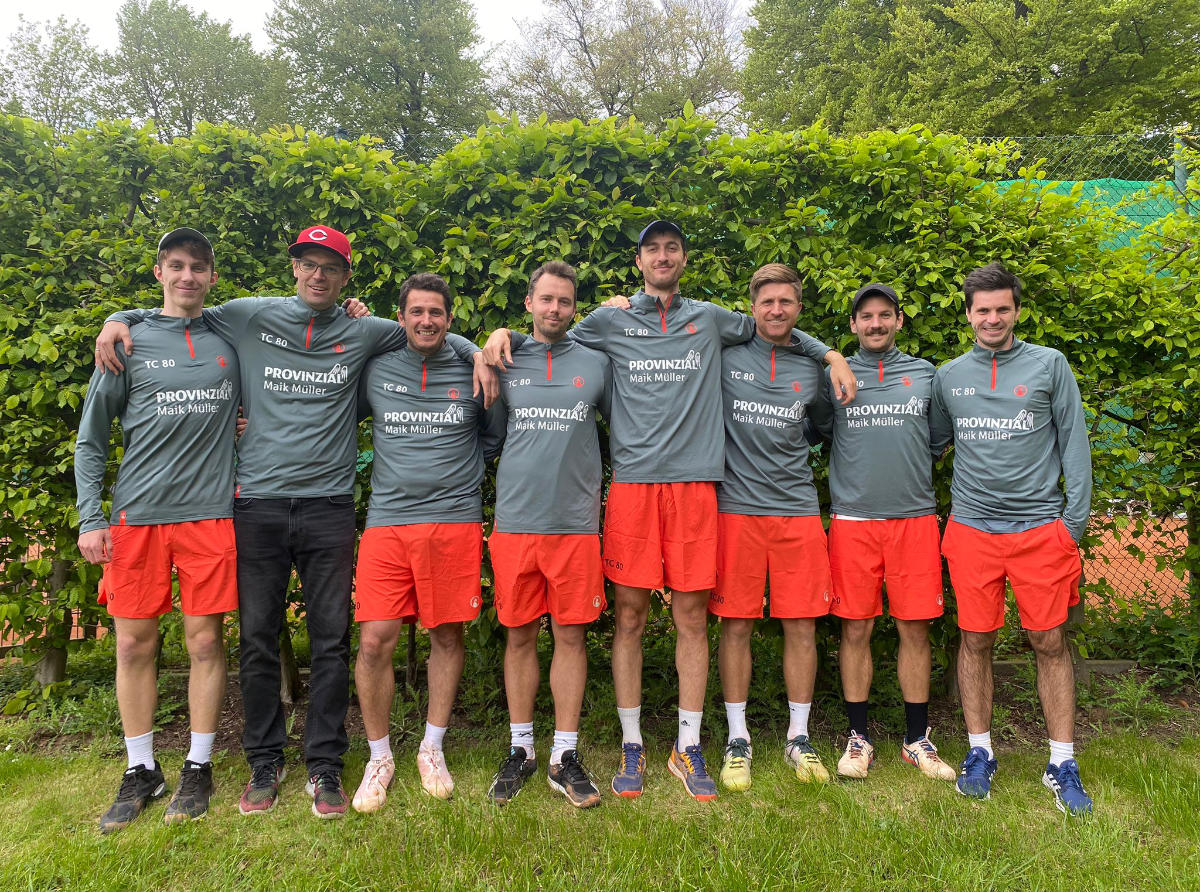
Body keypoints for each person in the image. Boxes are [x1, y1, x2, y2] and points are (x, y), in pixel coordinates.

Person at [93, 227, 494, 819]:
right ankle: (264, 761)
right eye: (309, 263)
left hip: (328, 505)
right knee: (257, 638)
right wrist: (117, 319)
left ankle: (325, 765)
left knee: (331, 641)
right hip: (256, 503)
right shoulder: (249, 316)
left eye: (330, 267)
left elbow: (425, 330)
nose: (318, 275)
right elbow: (181, 310)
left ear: (346, 277)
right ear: (295, 268)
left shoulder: (366, 330)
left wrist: (479, 351)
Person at [484, 220, 857, 801]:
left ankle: (688, 745)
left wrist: (830, 353)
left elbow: (773, 324)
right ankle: (632, 744)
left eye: (672, 248)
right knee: (629, 617)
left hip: (695, 490)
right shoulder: (607, 321)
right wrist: (495, 337)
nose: (663, 256)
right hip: (633, 488)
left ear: (684, 258)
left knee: (691, 617)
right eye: (652, 248)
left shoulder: (711, 318)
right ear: (639, 261)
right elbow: (549, 337)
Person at [75, 228, 239, 831]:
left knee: (205, 644)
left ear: (212, 276)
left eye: (198, 266)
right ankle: (141, 769)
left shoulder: (231, 338)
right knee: (131, 645)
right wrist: (91, 516)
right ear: (159, 272)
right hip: (137, 517)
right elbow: (92, 439)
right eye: (176, 265)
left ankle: (198, 766)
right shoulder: (126, 340)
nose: (187, 276)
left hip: (210, 516)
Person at [931, 262, 1093, 815]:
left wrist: (1071, 527)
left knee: (1049, 642)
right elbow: (930, 443)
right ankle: (980, 752)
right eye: (983, 310)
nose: (992, 318)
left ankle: (1062, 762)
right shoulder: (949, 376)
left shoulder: (1050, 365)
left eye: (1002, 308)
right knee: (975, 640)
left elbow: (1074, 444)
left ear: (1017, 311)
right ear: (968, 314)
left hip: (1040, 532)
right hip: (972, 531)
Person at [351, 273, 505, 809]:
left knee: (446, 634)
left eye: (436, 312)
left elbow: (493, 435)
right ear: (400, 318)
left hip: (453, 521)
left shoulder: (474, 369)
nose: (426, 321)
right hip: (387, 522)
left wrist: (460, 475)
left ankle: (432, 748)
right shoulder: (375, 367)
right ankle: (379, 757)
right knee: (375, 641)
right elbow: (332, 410)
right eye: (416, 311)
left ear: (449, 318)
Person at [817, 282, 956, 782]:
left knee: (914, 629)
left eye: (884, 315)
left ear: (899, 320)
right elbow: (821, 430)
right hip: (852, 523)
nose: (875, 324)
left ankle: (917, 740)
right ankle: (859, 738)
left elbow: (937, 439)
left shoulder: (926, 375)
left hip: (913, 521)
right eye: (866, 316)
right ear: (853, 324)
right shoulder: (835, 376)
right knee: (855, 629)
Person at [484, 261, 610, 809]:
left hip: (575, 526)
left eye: (564, 300)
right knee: (518, 637)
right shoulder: (504, 359)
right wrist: (496, 339)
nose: (554, 308)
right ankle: (521, 750)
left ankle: (564, 754)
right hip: (515, 524)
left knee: (570, 637)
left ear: (574, 307)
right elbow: (489, 436)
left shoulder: (598, 362)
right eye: (546, 299)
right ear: (528, 303)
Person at [710, 264, 835, 792]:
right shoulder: (724, 356)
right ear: (753, 307)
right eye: (767, 302)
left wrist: (828, 355)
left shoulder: (812, 368)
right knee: (735, 625)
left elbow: (824, 428)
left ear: (798, 308)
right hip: (735, 510)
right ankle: (737, 738)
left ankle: (798, 737)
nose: (777, 310)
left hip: (797, 510)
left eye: (786, 302)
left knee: (801, 624)